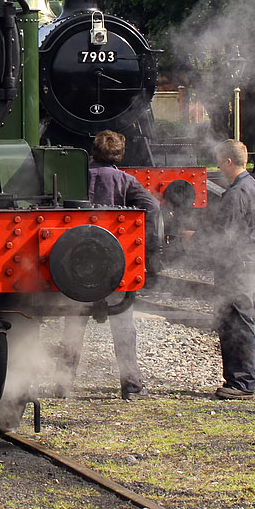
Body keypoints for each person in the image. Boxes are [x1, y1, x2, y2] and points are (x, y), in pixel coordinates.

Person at [62, 130, 161, 401]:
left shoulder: (76, 178)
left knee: (73, 323)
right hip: (112, 265)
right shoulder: (126, 181)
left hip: (76, 264)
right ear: (119, 154)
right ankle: (131, 386)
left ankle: (63, 382)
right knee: (123, 326)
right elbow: (151, 208)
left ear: (93, 151)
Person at [211, 138, 255, 399]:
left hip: (236, 266)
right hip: (248, 261)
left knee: (237, 322)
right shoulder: (254, 187)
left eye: (220, 161)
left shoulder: (236, 194)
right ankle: (237, 379)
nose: (218, 167)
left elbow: (225, 234)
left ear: (228, 161)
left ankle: (242, 382)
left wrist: (194, 240)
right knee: (237, 320)